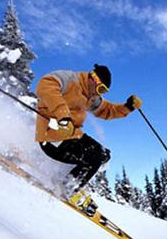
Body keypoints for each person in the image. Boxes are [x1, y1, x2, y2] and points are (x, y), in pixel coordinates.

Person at [35, 64, 142, 213]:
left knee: (104, 154)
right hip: (52, 134)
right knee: (94, 156)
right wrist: (62, 115)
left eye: (104, 91)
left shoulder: (90, 97)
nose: (100, 94)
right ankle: (68, 187)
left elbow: (107, 110)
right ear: (93, 79)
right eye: (100, 89)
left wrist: (128, 107)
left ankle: (67, 179)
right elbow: (45, 85)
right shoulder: (70, 79)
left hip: (71, 135)